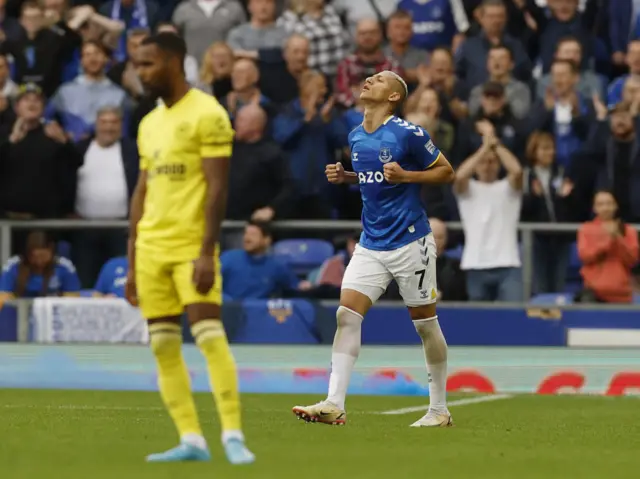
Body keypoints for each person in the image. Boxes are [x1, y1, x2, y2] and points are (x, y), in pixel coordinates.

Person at [292, 70, 456, 427]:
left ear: (394, 96)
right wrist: (347, 177)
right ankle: (334, 402)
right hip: (371, 241)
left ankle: (439, 409)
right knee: (346, 314)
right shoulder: (355, 135)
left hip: (411, 239)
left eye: (379, 79)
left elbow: (446, 172)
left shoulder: (408, 133)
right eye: (370, 76)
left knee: (425, 324)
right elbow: (374, 177)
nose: (369, 80)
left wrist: (408, 177)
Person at [126, 32, 254, 464]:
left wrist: (206, 251)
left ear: (174, 62)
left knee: (209, 336)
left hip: (190, 245)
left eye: (147, 64)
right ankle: (191, 440)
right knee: (162, 345)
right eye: (137, 65)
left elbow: (217, 189)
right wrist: (131, 257)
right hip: (150, 249)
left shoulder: (209, 114)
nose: (141, 73)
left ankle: (233, 435)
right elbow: (142, 191)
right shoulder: (148, 123)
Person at [0, 231, 81, 311]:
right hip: (19, 315)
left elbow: (73, 300)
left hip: (54, 315)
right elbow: (3, 297)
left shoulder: (65, 267)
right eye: (35, 257)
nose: (39, 261)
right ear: (27, 254)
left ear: (51, 251)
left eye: (43, 256)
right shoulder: (13, 266)